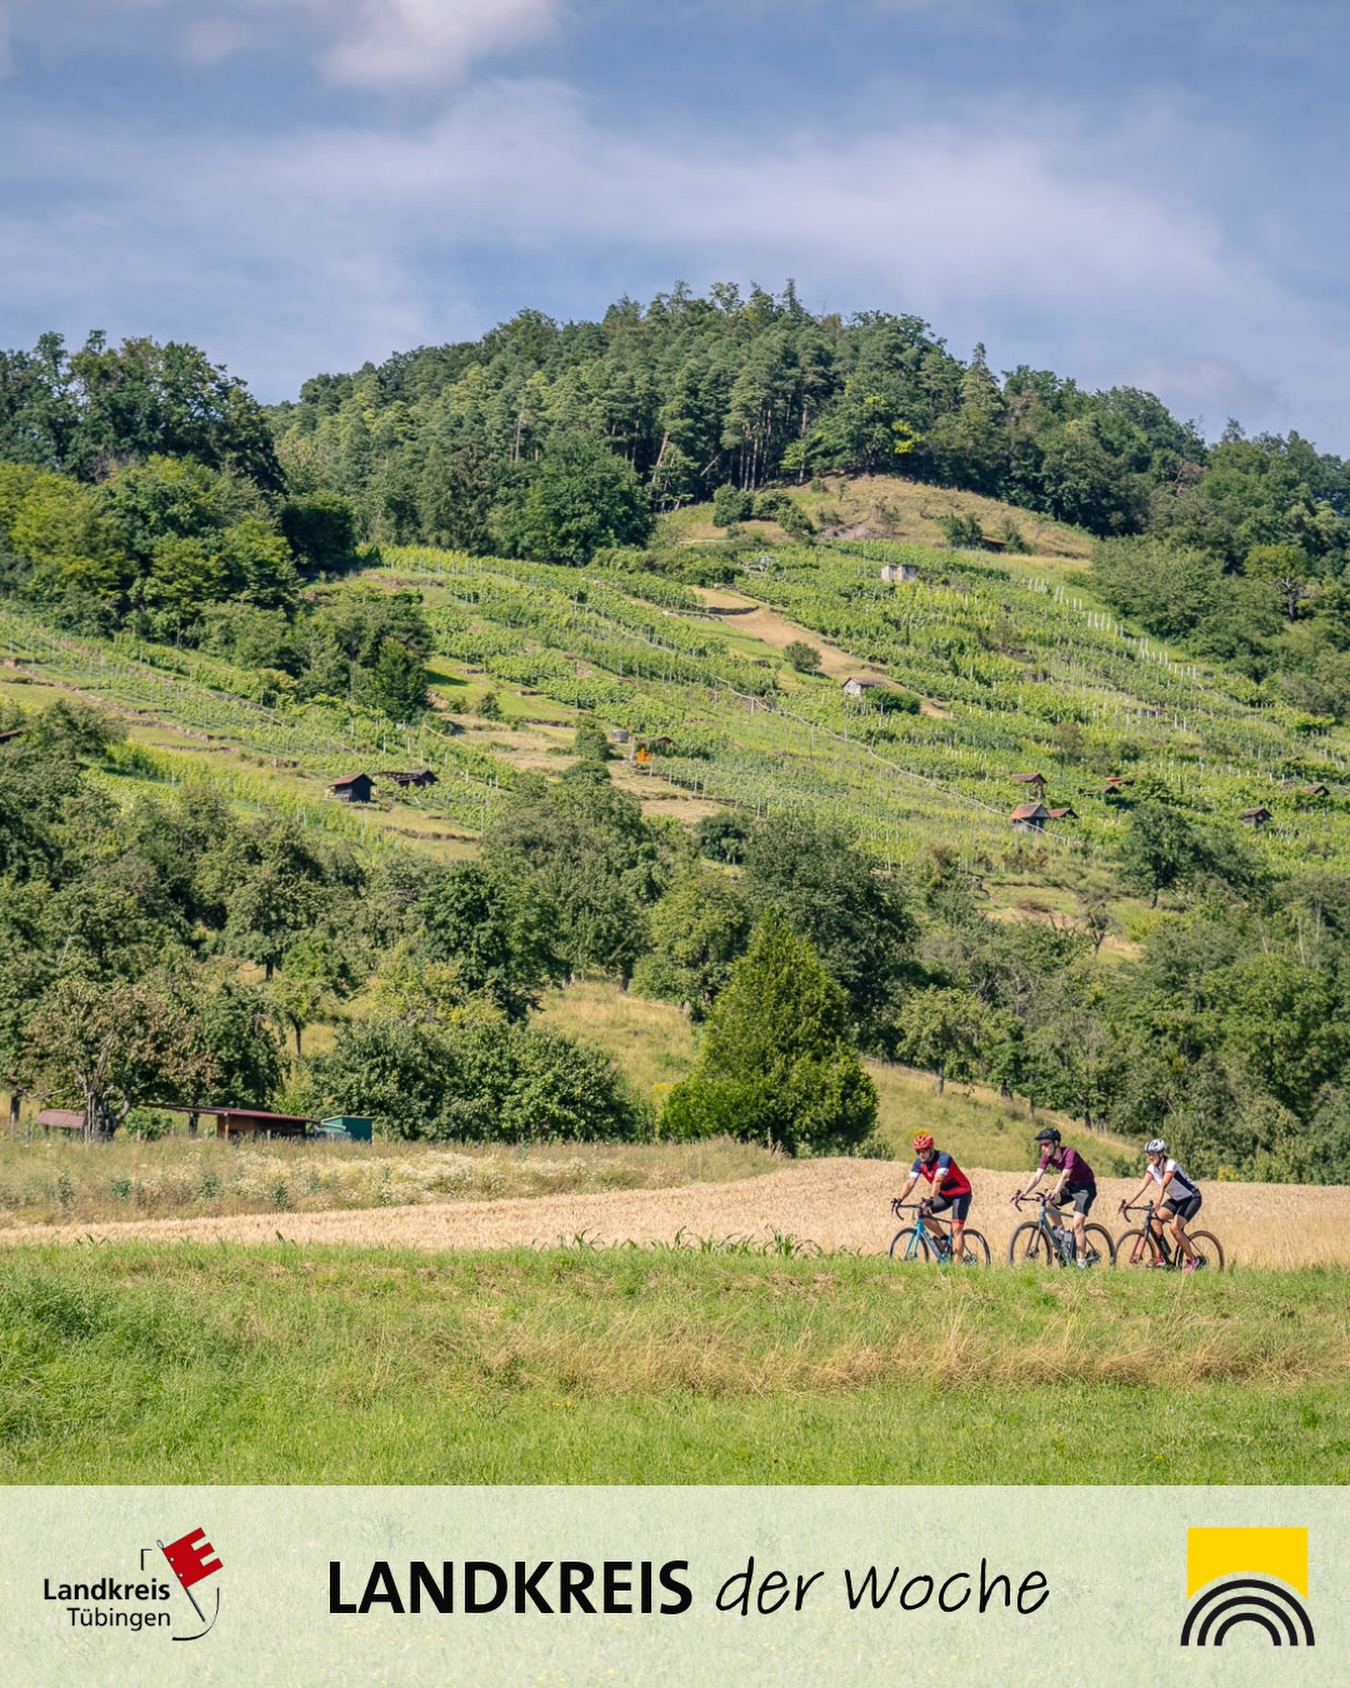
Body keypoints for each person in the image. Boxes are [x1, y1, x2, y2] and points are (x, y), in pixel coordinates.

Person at [1014, 1126, 1098, 1267]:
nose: (1043, 1148)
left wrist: (1055, 1191)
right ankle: (1061, 1232)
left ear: (1056, 1143)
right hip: (1072, 1186)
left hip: (1086, 1187)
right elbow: (1037, 1176)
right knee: (1048, 1202)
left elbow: (1065, 1176)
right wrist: (1024, 1193)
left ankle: (1081, 1263)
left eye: (1046, 1144)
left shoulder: (1070, 1154)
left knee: (1077, 1224)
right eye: (1042, 1145)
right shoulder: (1047, 1157)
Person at [1120, 1138, 1203, 1270]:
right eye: (1148, 1154)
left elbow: (1164, 1184)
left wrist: (1158, 1202)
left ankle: (1192, 1260)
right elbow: (1142, 1185)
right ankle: (1161, 1258)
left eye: (1153, 1154)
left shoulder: (1170, 1165)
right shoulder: (1152, 1168)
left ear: (1161, 1154)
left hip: (1192, 1198)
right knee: (1155, 1221)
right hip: (1177, 1199)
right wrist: (1128, 1203)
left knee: (1175, 1228)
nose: (1150, 1157)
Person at [893, 1132, 973, 1262]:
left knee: (956, 1228)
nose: (921, 1154)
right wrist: (899, 1199)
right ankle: (944, 1239)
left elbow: (938, 1180)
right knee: (922, 1213)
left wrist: (931, 1199)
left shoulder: (943, 1159)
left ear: (931, 1149)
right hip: (945, 1195)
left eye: (924, 1151)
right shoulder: (919, 1163)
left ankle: (957, 1266)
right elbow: (910, 1182)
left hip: (961, 1194)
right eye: (918, 1152)